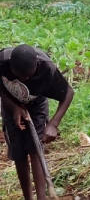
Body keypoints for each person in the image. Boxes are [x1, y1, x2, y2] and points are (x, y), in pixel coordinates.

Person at [0, 44, 75, 200]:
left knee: (35, 150)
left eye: (28, 76)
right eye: (20, 75)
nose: (24, 79)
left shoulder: (46, 69)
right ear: (11, 66)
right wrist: (14, 108)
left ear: (36, 66)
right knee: (19, 153)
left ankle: (41, 198)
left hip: (36, 106)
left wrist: (53, 124)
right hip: (10, 106)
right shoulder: (2, 60)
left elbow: (68, 92)